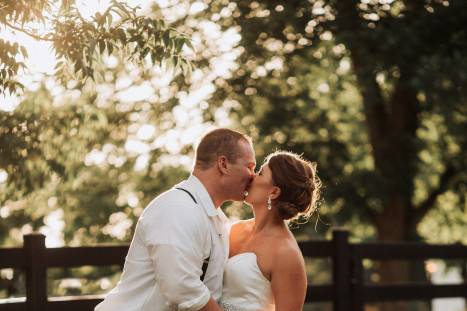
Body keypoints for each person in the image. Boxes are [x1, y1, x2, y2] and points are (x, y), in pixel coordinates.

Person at [95, 128, 256, 311]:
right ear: (224, 164)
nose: (253, 176)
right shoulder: (177, 208)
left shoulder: (217, 218)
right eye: (250, 167)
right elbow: (182, 288)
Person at [219, 151, 321, 311]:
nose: (251, 176)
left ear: (273, 192)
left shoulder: (286, 253)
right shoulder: (233, 228)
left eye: (260, 173)